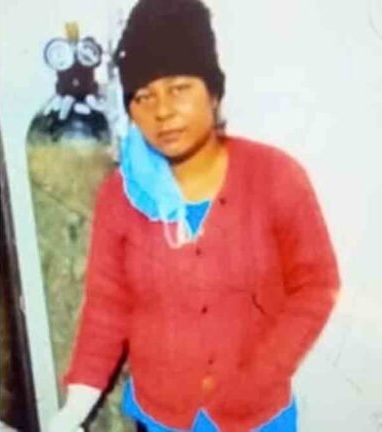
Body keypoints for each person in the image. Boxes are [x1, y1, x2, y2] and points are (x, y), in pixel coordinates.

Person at [48, 0, 340, 431]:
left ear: (213, 92)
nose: (162, 110)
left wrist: (259, 378)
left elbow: (316, 285)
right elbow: (107, 309)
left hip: (259, 418)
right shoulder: (122, 195)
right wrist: (73, 411)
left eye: (179, 88)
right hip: (160, 416)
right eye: (143, 96)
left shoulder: (276, 176)